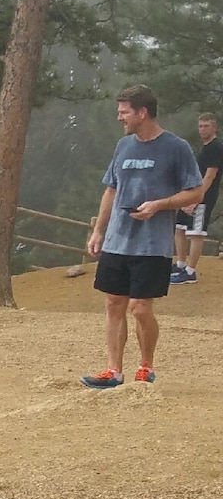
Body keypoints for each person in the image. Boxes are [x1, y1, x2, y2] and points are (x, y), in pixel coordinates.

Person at [82, 85, 205, 388]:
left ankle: (145, 365)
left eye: (124, 112)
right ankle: (113, 371)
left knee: (140, 308)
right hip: (117, 240)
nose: (119, 117)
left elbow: (196, 191)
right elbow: (111, 189)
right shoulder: (124, 146)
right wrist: (99, 230)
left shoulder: (176, 148)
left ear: (142, 112)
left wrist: (159, 205)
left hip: (152, 244)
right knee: (113, 303)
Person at [171, 111, 221, 283]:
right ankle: (181, 263)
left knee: (196, 232)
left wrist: (197, 198)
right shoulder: (206, 148)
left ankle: (190, 272)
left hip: (203, 197)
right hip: (191, 193)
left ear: (215, 128)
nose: (202, 130)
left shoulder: (216, 148)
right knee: (179, 228)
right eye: (200, 126)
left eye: (206, 126)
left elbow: (210, 176)